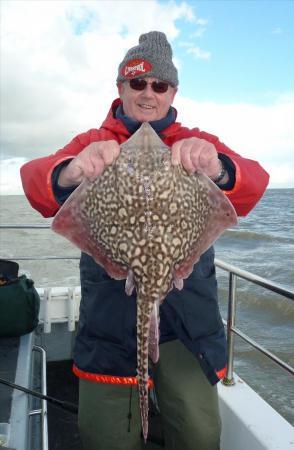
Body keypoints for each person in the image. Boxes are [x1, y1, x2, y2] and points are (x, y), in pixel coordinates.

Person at [21, 31, 269, 450]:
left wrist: (218, 167)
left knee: (200, 433)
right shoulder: (93, 142)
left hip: (188, 327)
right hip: (109, 324)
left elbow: (254, 182)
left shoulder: (194, 142)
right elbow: (35, 181)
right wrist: (72, 171)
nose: (149, 93)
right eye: (138, 83)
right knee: (106, 438)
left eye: (160, 84)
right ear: (121, 88)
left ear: (173, 91)